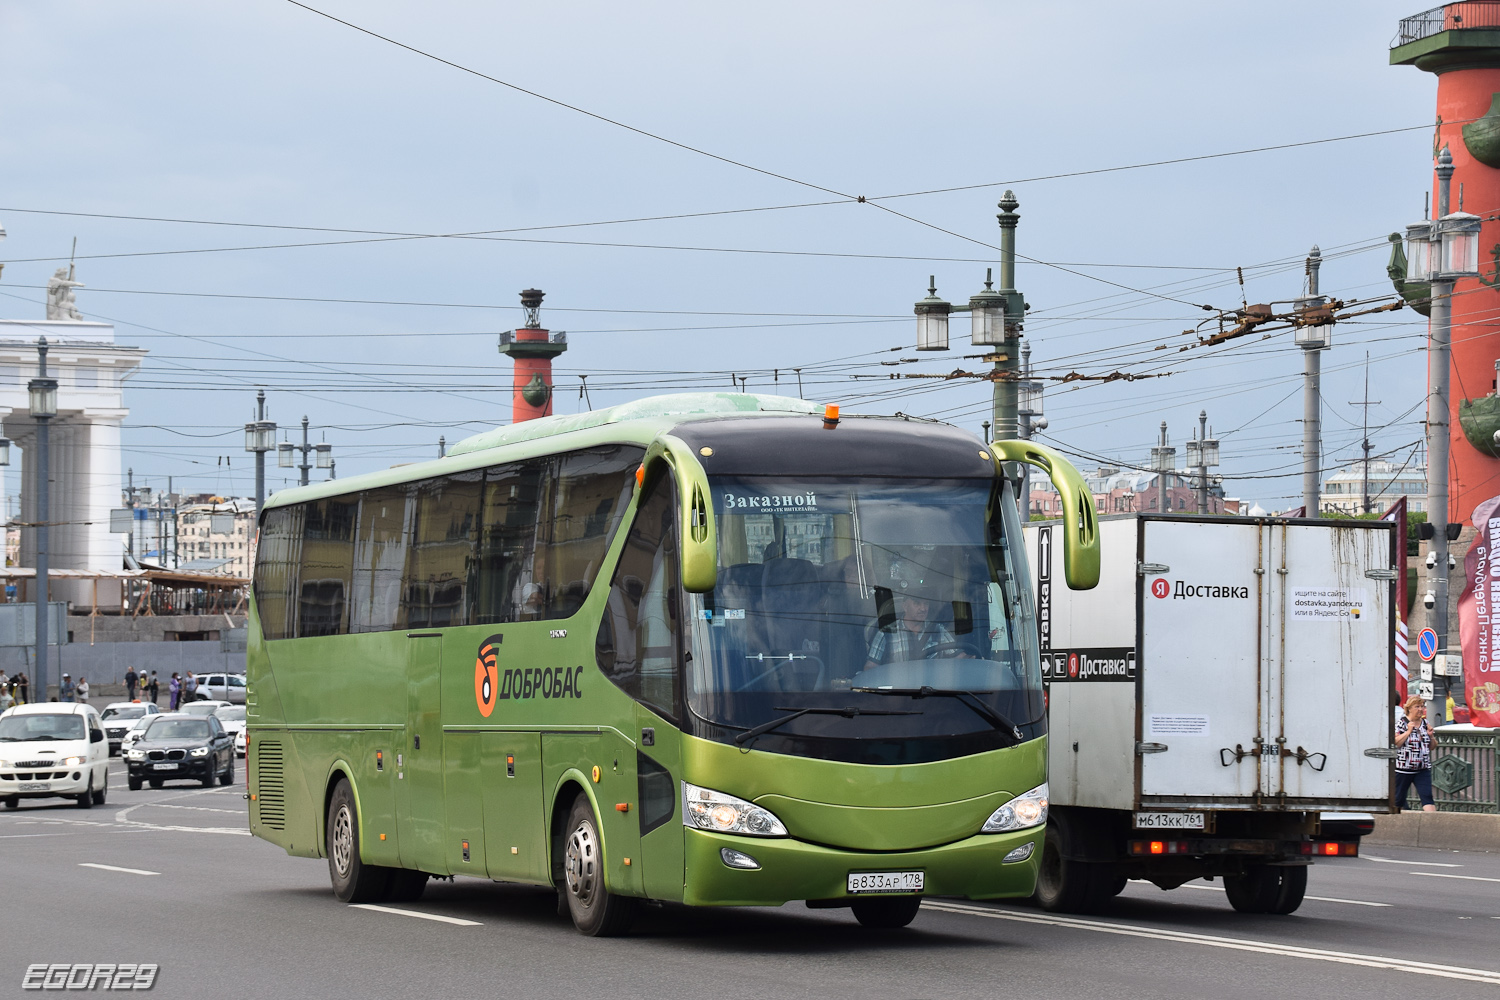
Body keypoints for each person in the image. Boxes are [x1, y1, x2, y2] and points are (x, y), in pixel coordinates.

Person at [1395, 694, 1438, 813]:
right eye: (1417, 706)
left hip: (1422, 768)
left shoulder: (1425, 723)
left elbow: (1432, 747)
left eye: (1422, 706)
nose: (1420, 709)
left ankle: (1432, 823)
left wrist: (1431, 736)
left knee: (1427, 797)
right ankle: (1395, 822)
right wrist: (1408, 731)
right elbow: (1396, 743)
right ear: (1409, 708)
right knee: (1398, 799)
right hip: (1404, 769)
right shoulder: (1402, 723)